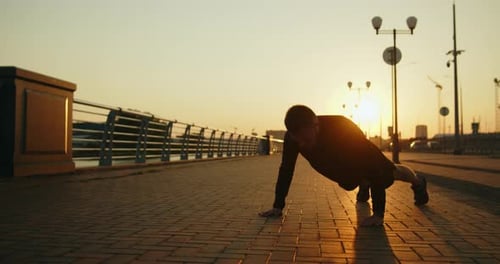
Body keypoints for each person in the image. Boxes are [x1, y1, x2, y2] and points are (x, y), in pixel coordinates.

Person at [259, 105, 429, 226]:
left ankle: (418, 182)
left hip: (363, 155)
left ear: (316, 126)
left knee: (392, 172)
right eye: (299, 141)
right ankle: (364, 184)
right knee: (350, 183)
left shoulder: (342, 128)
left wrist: (378, 214)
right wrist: (277, 205)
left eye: (307, 140)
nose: (303, 145)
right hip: (340, 165)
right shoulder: (292, 139)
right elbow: (286, 170)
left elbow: (372, 166)